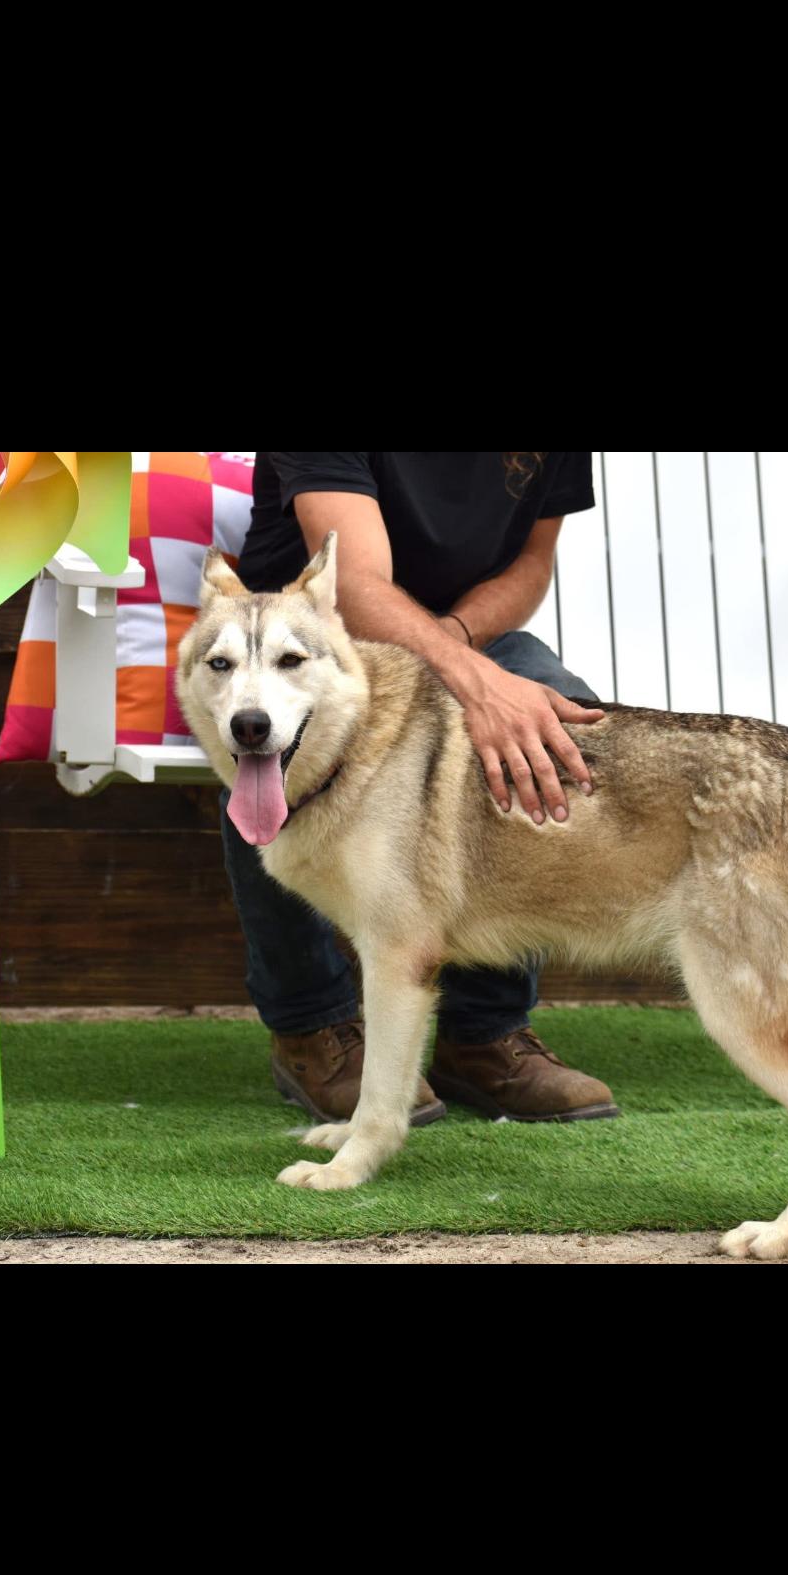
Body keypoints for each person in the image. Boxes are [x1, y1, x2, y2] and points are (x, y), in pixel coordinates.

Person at [222, 450, 620, 1127]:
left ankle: (484, 1035)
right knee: (282, 756)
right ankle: (311, 1029)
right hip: (303, 646)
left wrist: (459, 646)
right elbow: (356, 583)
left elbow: (531, 562)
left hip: (459, 632)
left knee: (556, 730)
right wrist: (467, 678)